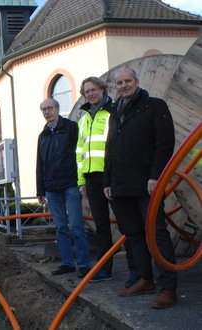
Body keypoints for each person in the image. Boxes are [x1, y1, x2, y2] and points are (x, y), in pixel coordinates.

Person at [104, 67, 177, 309]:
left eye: (127, 81)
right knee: (133, 235)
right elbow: (110, 149)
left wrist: (155, 176)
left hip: (147, 185)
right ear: (115, 87)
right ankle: (145, 279)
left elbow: (165, 144)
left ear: (136, 81)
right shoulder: (116, 111)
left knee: (156, 234)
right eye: (119, 83)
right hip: (121, 186)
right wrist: (107, 182)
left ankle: (168, 288)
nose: (123, 85)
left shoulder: (154, 106)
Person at [76, 77, 137, 285]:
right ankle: (105, 268)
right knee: (101, 226)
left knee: (125, 222)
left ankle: (135, 270)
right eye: (86, 91)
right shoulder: (83, 117)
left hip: (112, 175)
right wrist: (81, 179)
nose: (90, 93)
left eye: (94, 89)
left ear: (103, 90)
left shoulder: (114, 111)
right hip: (92, 178)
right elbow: (80, 151)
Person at [36, 98, 91, 278]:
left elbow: (82, 154)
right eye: (43, 109)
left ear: (58, 109)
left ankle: (83, 264)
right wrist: (40, 190)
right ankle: (67, 263)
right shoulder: (43, 135)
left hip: (70, 185)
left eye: (50, 108)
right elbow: (40, 163)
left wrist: (82, 180)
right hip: (52, 188)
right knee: (60, 228)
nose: (47, 112)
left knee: (76, 225)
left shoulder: (71, 128)